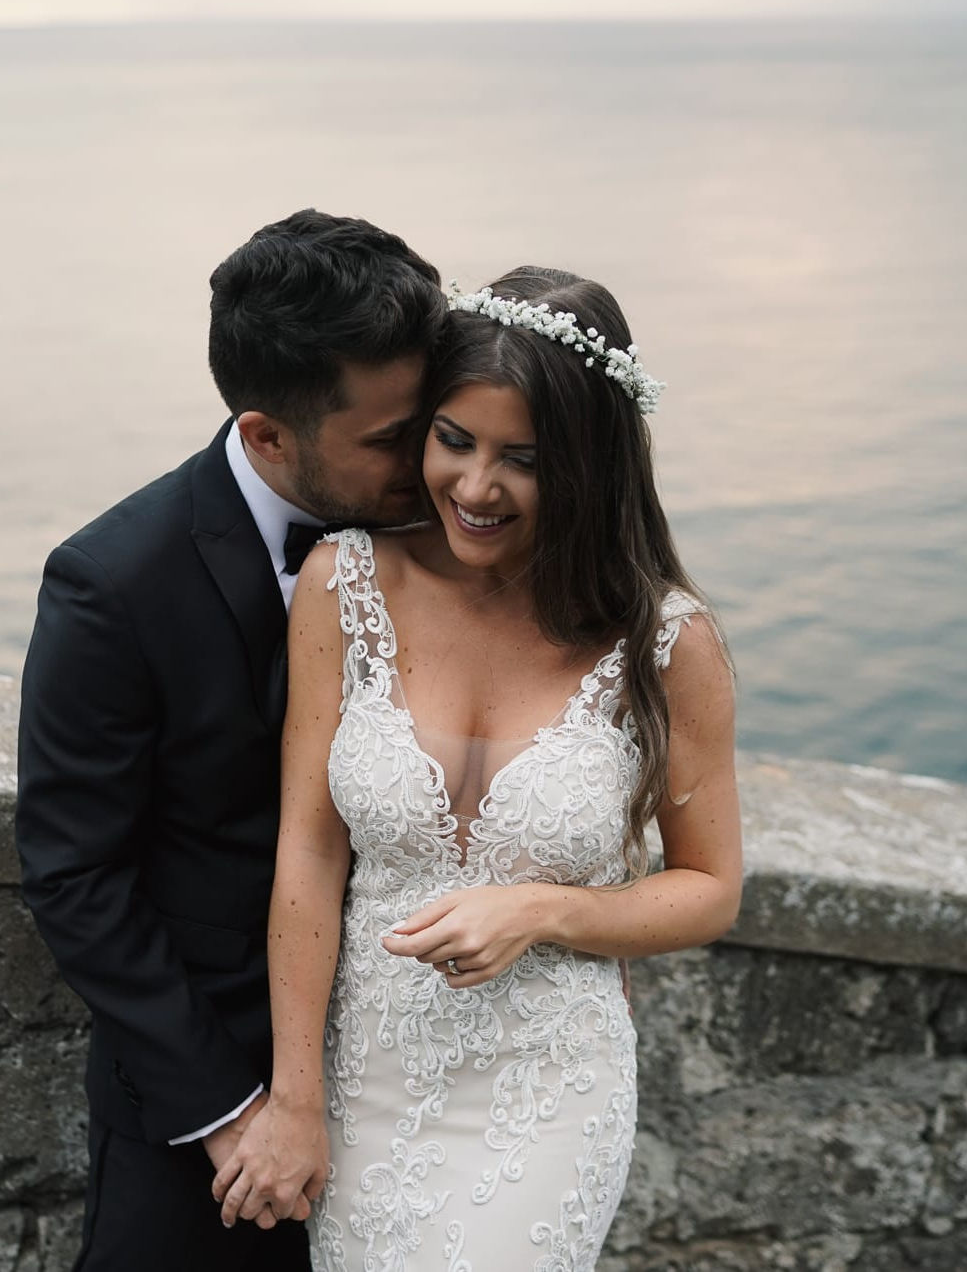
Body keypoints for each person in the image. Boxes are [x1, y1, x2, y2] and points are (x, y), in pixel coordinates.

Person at [212, 267, 743, 1269]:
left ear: (587, 464)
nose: (474, 485)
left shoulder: (665, 645)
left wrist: (544, 910)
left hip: (546, 1086)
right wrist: (295, 1098)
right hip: (365, 1073)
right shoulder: (344, 582)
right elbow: (308, 856)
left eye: (522, 459)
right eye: (453, 440)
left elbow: (709, 888)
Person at [15, 209, 446, 1272]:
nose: (432, 464)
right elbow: (75, 876)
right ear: (266, 434)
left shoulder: (454, 539)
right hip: (202, 1113)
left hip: (416, 1085)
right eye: (393, 439)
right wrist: (231, 1117)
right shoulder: (110, 583)